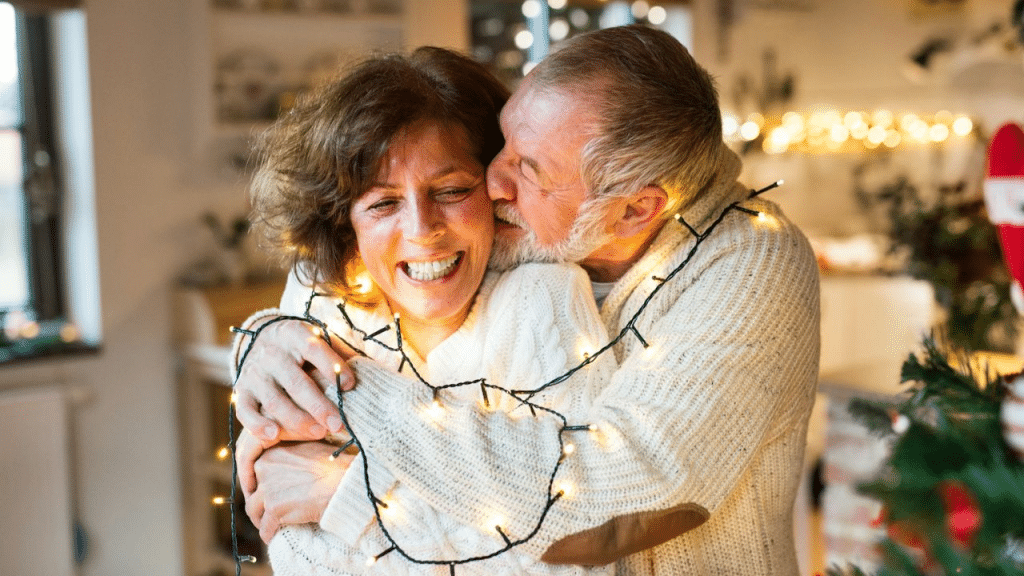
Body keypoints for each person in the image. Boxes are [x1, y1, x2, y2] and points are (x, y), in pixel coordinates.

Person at [236, 25, 821, 574]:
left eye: (529, 168)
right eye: (507, 141)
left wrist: (352, 460)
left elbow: (601, 510)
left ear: (633, 210)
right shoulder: (511, 221)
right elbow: (341, 266)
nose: (492, 182)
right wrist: (267, 341)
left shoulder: (748, 264)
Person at [235, 47, 618, 574]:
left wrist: (352, 501)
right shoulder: (322, 297)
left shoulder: (543, 303)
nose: (423, 230)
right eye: (383, 203)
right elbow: (297, 551)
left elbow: (580, 555)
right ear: (344, 219)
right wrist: (254, 338)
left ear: (498, 187)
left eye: (453, 190)